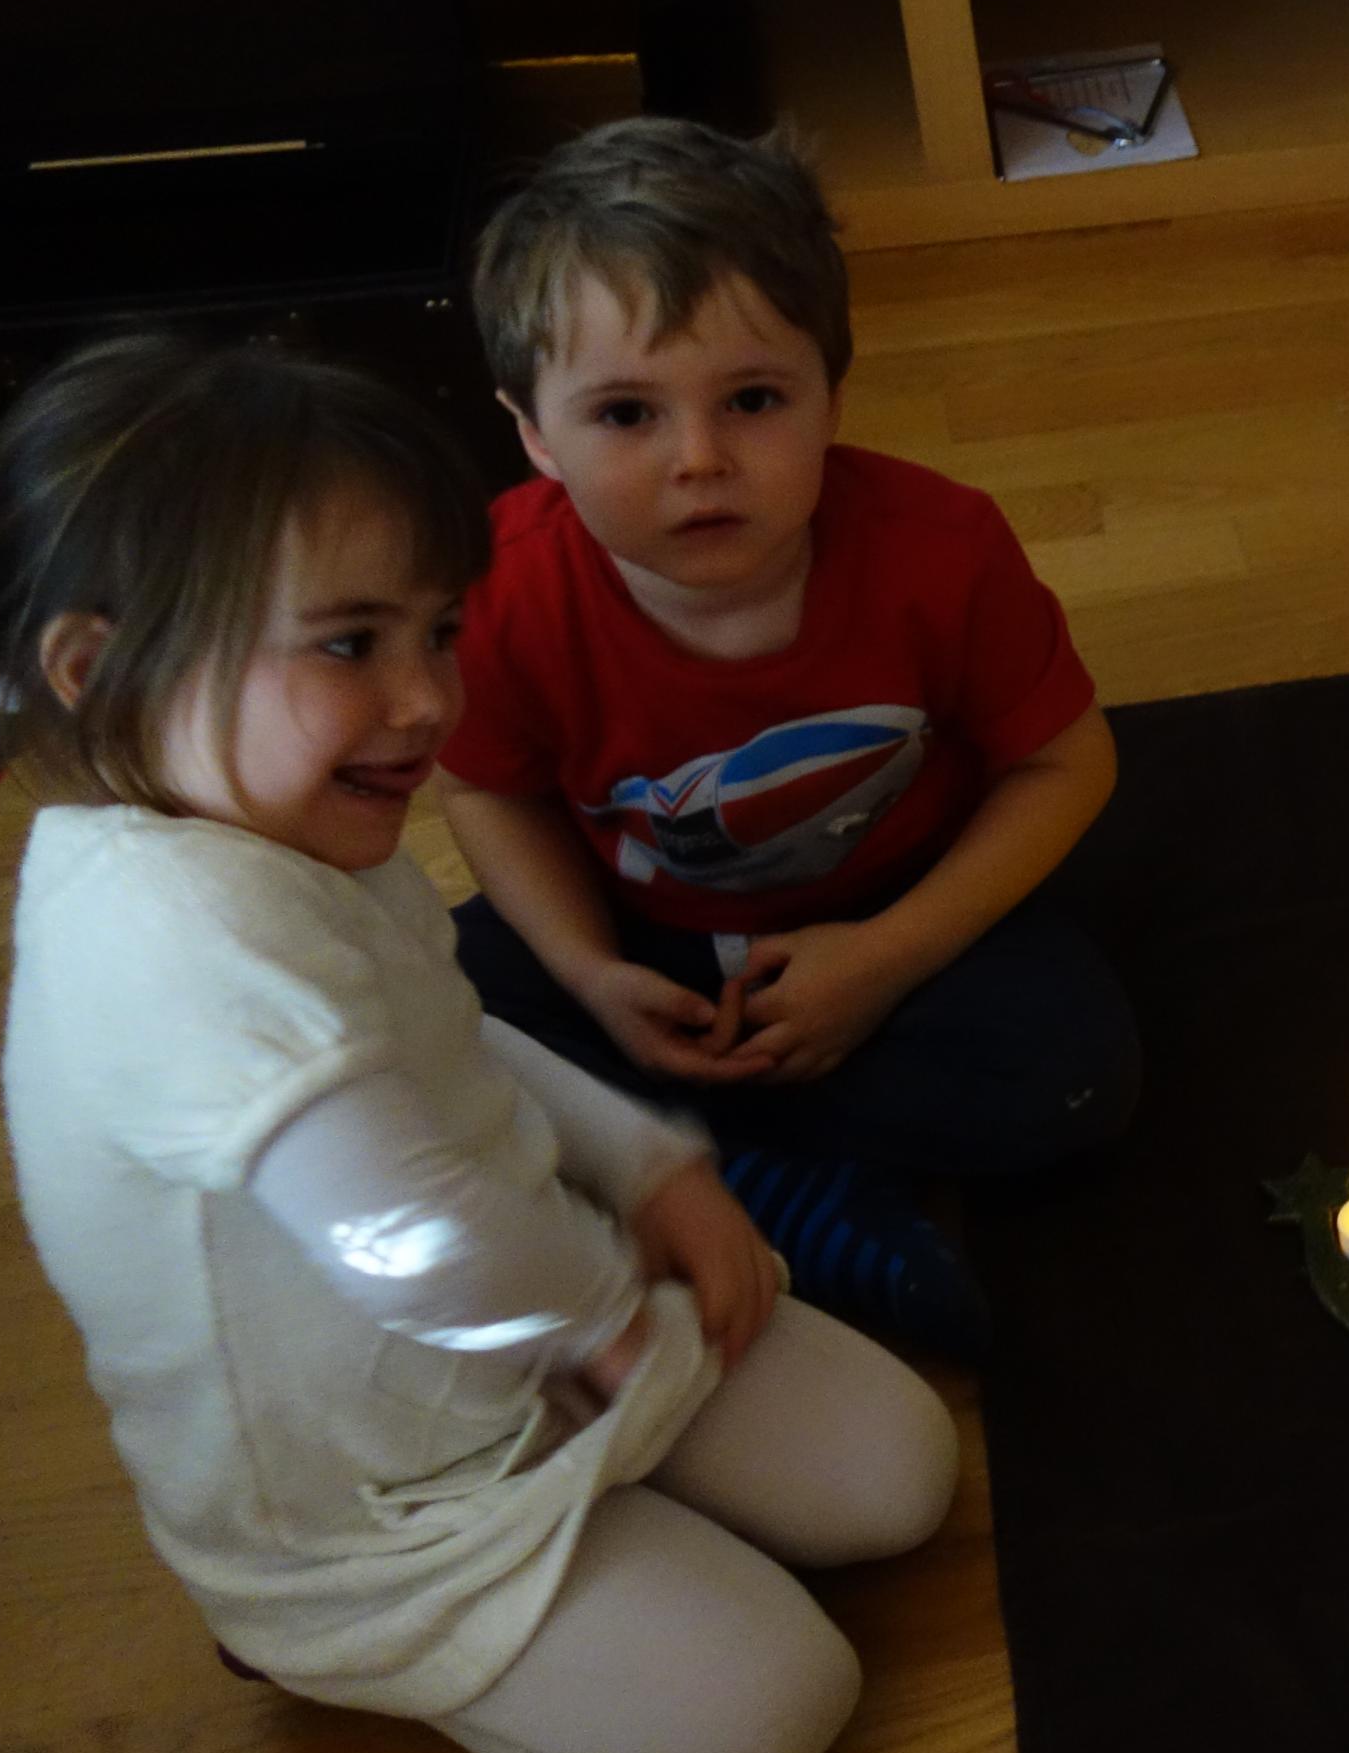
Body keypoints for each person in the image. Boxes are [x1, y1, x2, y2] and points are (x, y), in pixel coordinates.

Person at [0, 336, 953, 1753]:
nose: (427, 697)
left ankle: (628, 1513)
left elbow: (451, 1034)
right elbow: (405, 1241)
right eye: (348, 645)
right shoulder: (170, 944)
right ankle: (312, 1646)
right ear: (99, 668)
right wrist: (596, 1319)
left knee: (899, 1473)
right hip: (398, 1499)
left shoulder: (280, 827)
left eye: (437, 632)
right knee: (778, 1703)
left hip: (551, 1321)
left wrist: (652, 1171)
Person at [440, 118, 1138, 1360]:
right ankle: (765, 1184)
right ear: (535, 435)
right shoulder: (501, 588)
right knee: (428, 1008)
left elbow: (1067, 762)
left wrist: (883, 961)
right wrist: (590, 972)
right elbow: (488, 793)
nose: (700, 460)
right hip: (637, 934)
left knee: (1076, 1070)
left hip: (897, 909)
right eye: (625, 414)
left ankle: (685, 1162)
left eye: (753, 400)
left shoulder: (941, 549)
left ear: (831, 396)